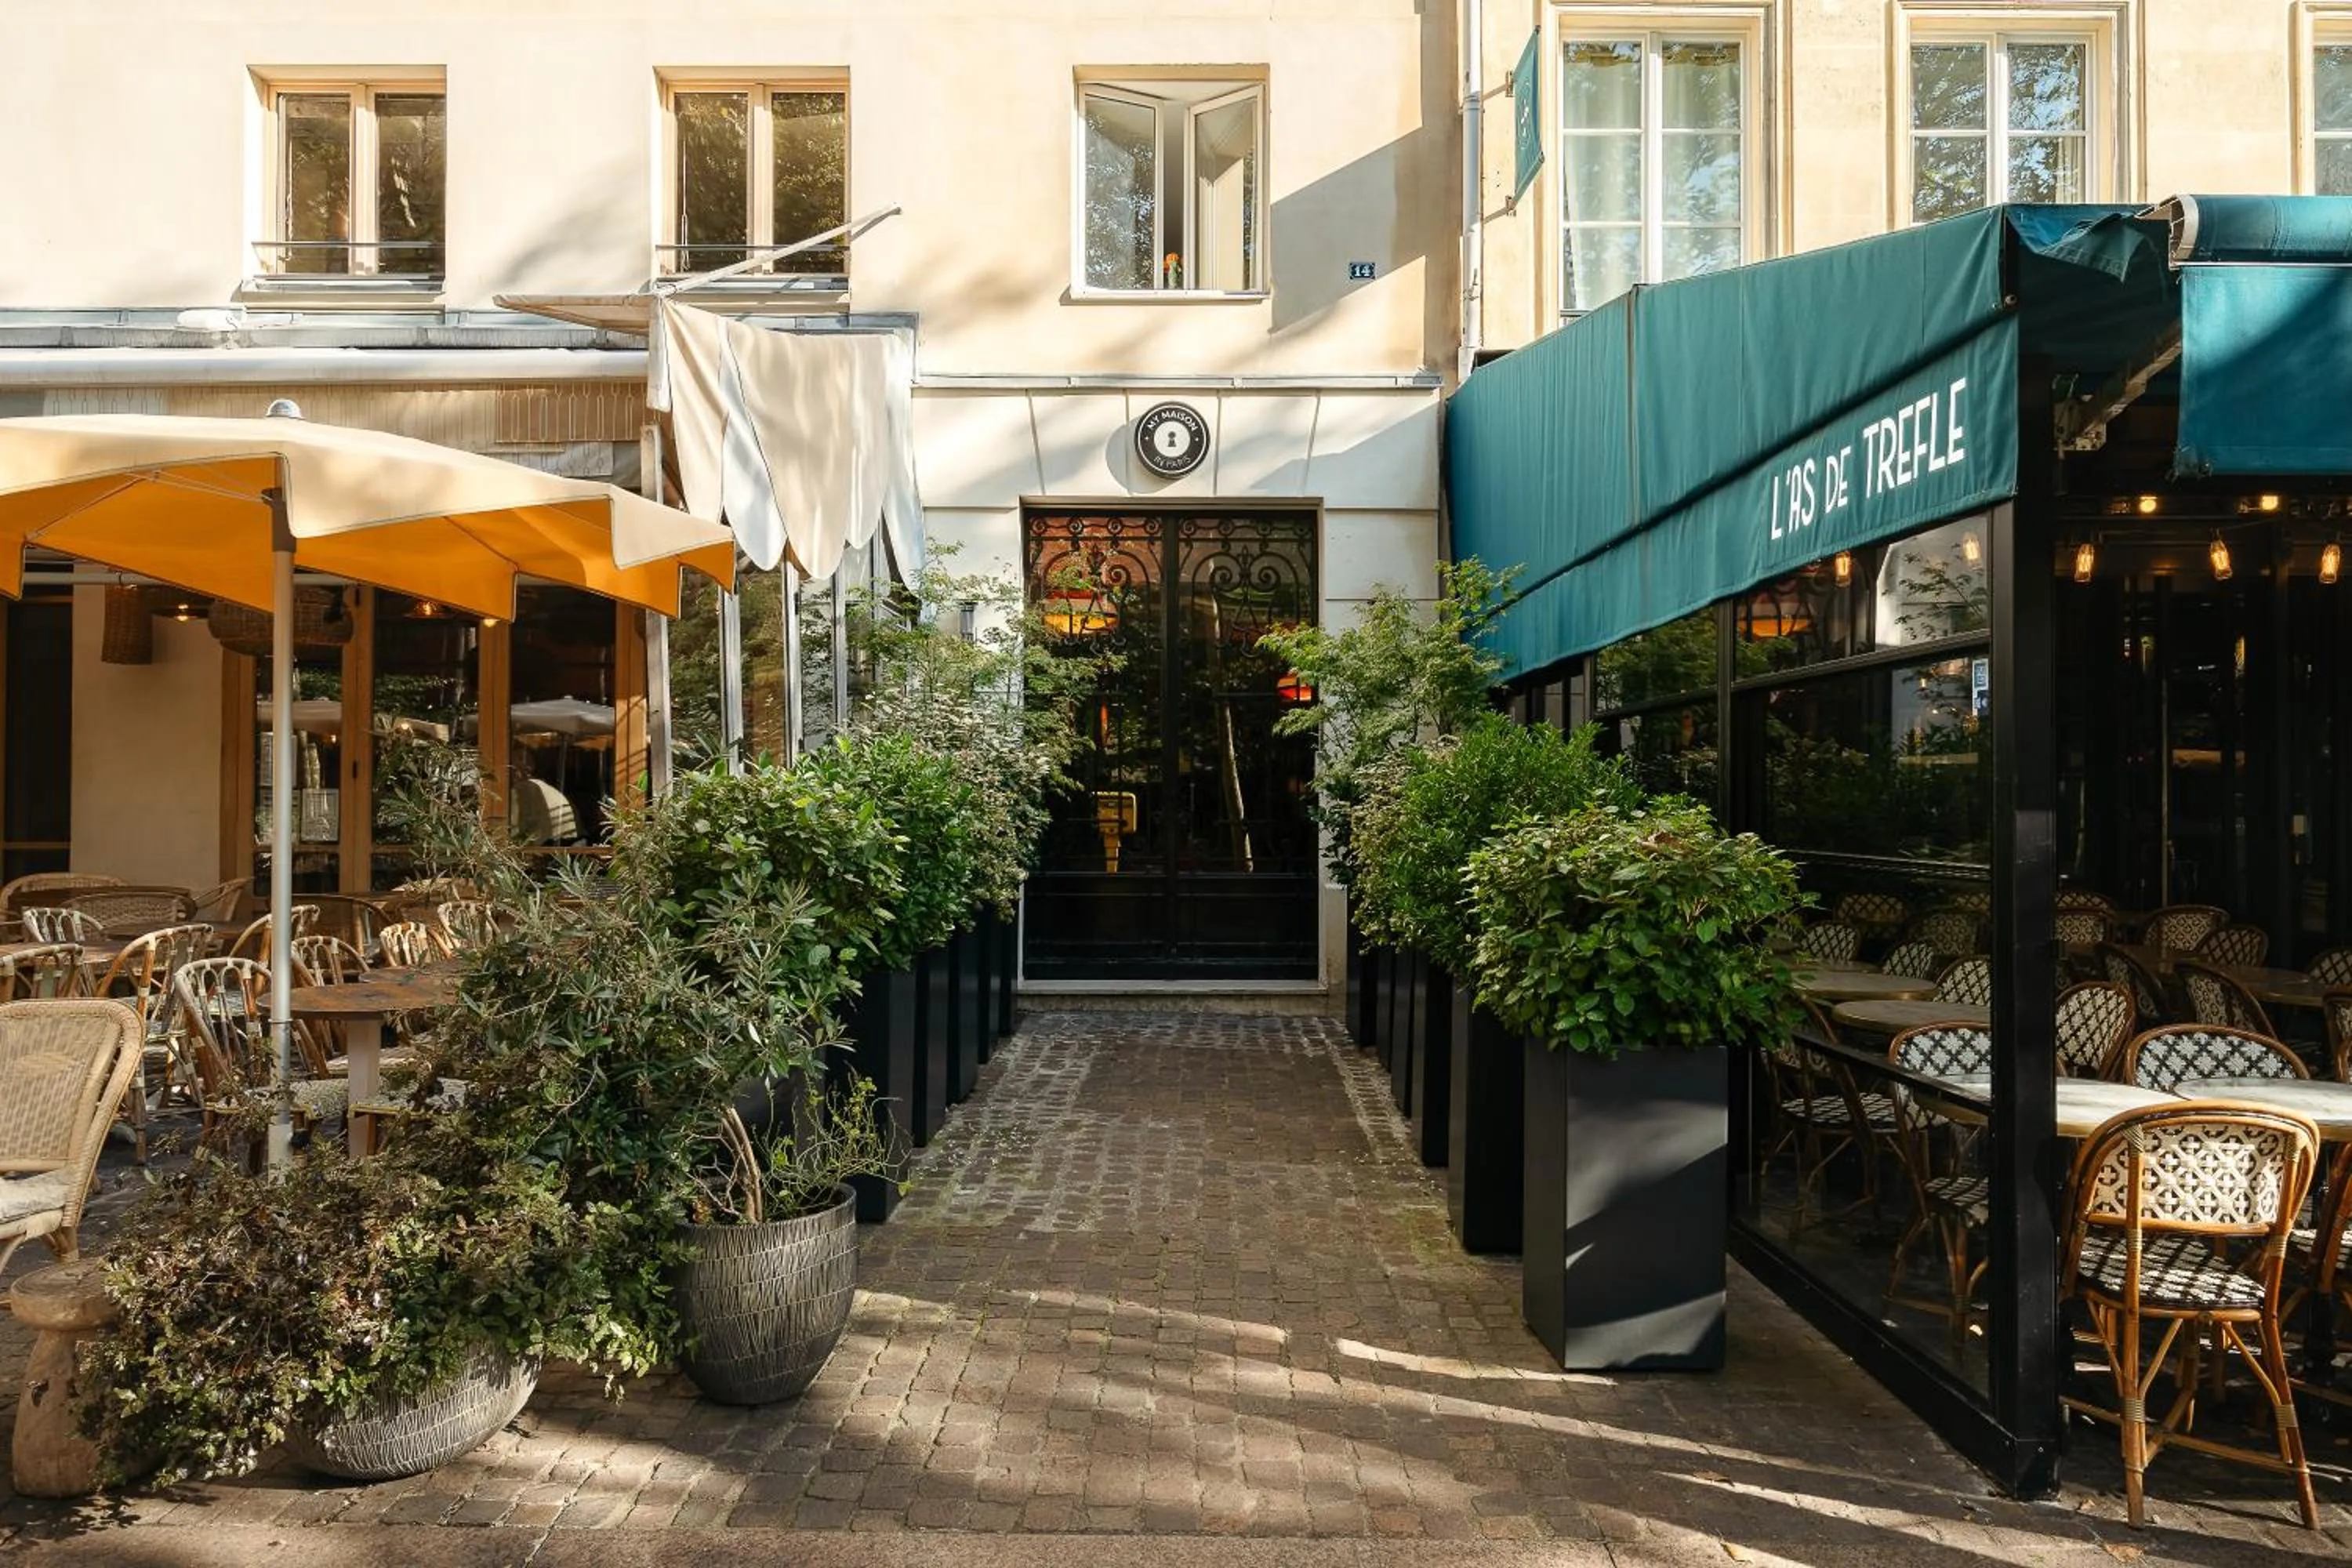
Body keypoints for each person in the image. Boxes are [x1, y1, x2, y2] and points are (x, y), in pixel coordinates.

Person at [509, 749, 578, 845]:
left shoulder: (522, 790)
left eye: (510, 767)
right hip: (563, 851)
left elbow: (513, 833)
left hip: (539, 851)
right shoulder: (553, 792)